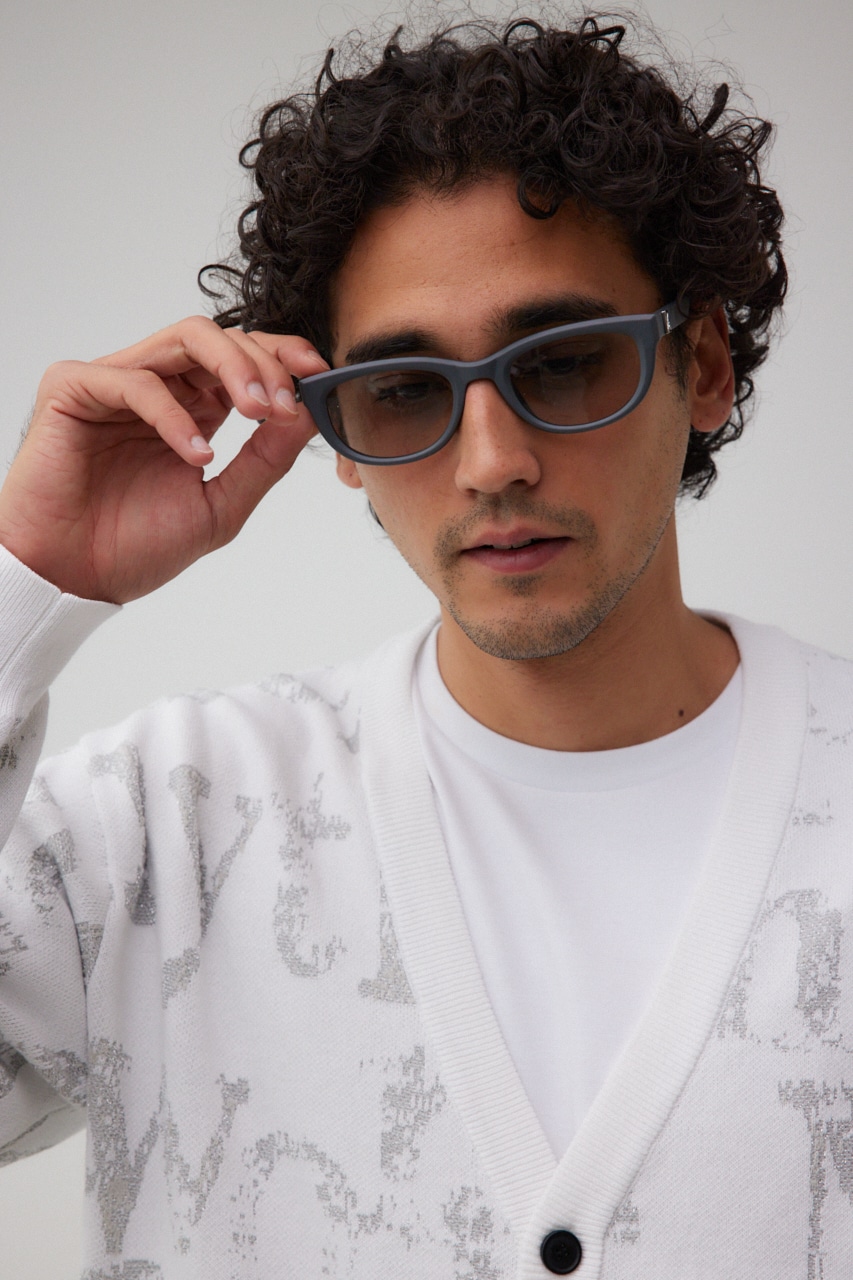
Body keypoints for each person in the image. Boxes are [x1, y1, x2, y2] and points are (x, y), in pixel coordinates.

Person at [0, 12, 845, 1279]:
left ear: (705, 365)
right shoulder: (163, 830)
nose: (492, 462)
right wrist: (27, 578)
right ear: (332, 430)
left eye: (563, 363)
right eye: (404, 390)